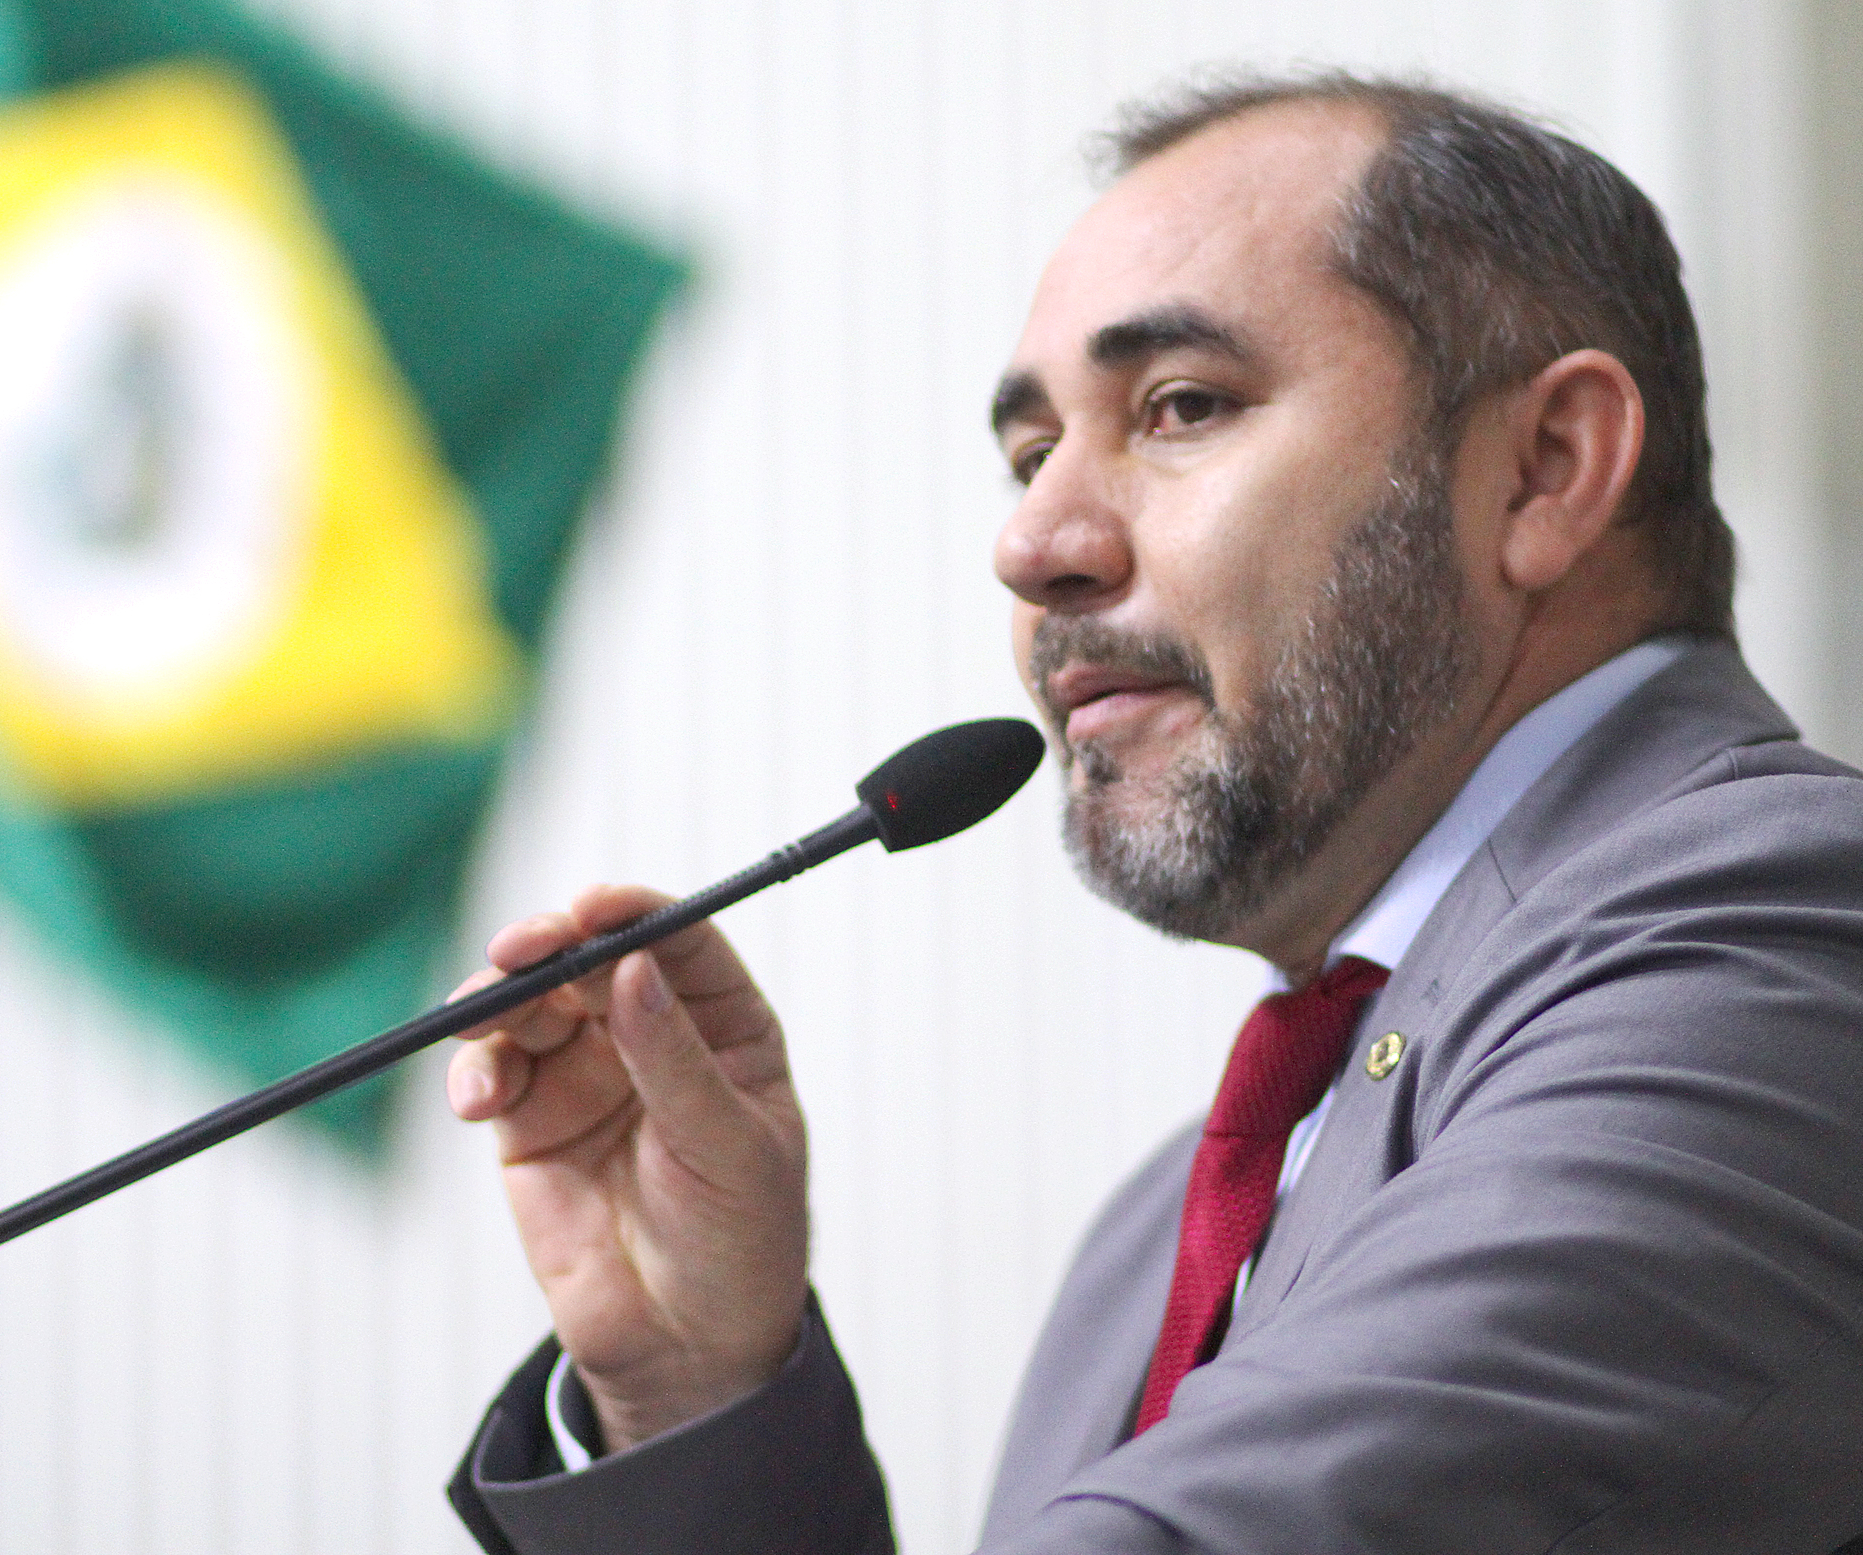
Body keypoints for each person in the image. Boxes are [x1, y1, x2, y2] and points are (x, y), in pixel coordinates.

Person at [441, 71, 1863, 1554]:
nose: (1031, 544)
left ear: (1543, 469)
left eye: (1181, 407)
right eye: (1028, 456)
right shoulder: (1158, 1240)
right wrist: (698, 1393)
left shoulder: (1793, 949)